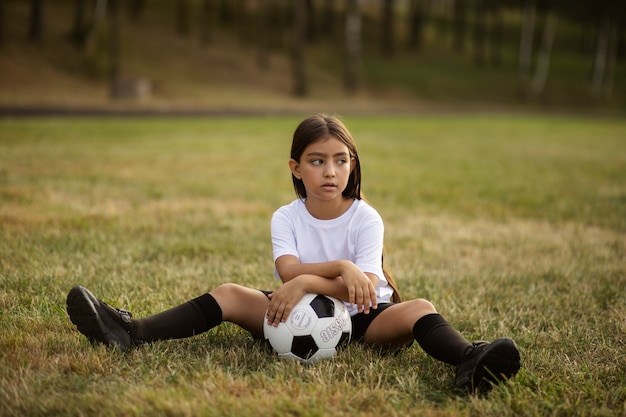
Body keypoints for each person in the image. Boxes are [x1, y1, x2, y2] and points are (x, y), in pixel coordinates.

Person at [66, 114, 520, 393]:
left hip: (366, 316)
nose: (331, 170)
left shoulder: (367, 218)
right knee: (229, 292)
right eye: (317, 160)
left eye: (341, 159)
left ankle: (470, 361)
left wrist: (308, 279)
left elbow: (360, 286)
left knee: (419, 307)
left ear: (353, 165)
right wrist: (322, 274)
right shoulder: (286, 217)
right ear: (296, 168)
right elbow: (288, 272)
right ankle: (130, 331)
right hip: (296, 313)